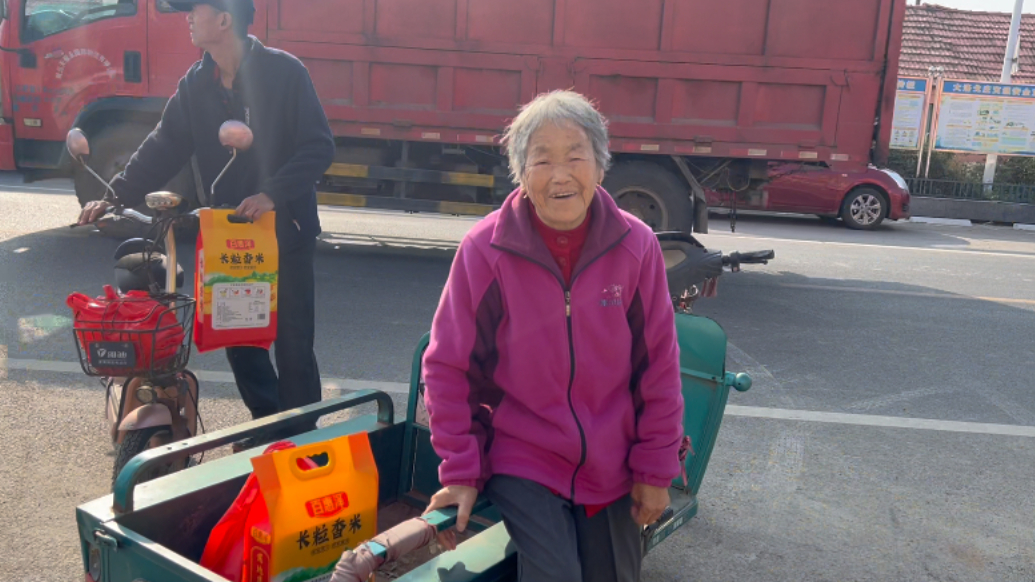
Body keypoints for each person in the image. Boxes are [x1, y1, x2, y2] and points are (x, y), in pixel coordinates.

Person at [421, 90, 684, 582]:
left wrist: (655, 470)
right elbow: (447, 366)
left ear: (601, 166)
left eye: (575, 156)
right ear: (521, 173)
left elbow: (660, 367)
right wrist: (460, 470)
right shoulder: (486, 249)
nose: (560, 175)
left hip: (613, 457)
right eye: (541, 159)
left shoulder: (636, 246)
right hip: (525, 457)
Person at [77, 0, 335, 448]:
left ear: (224, 19)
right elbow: (164, 144)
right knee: (240, 336)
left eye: (195, 9)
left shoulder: (284, 73)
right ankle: (266, 424)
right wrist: (113, 193)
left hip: (285, 230)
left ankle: (299, 438)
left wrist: (271, 192)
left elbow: (318, 147)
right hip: (229, 234)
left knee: (292, 342)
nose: (187, 18)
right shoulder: (196, 83)